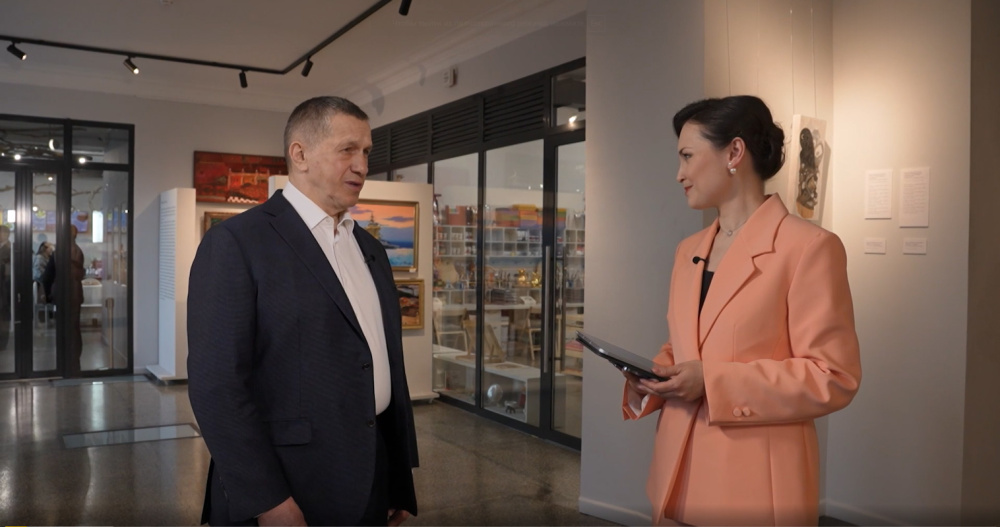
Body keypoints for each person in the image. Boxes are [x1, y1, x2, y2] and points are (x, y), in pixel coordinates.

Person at [622, 95, 862, 526]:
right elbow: (685, 345)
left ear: (734, 152)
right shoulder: (688, 250)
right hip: (678, 470)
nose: (679, 174)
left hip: (753, 483)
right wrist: (654, 375)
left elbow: (833, 376)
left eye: (687, 156)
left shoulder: (808, 248)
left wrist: (712, 382)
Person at [187, 96, 419, 526]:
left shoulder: (370, 249)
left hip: (372, 477)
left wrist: (397, 479)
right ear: (300, 154)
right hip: (287, 487)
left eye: (366, 152)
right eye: (347, 149)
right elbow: (216, 386)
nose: (362, 166)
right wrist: (268, 501)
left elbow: (383, 365)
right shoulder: (237, 243)